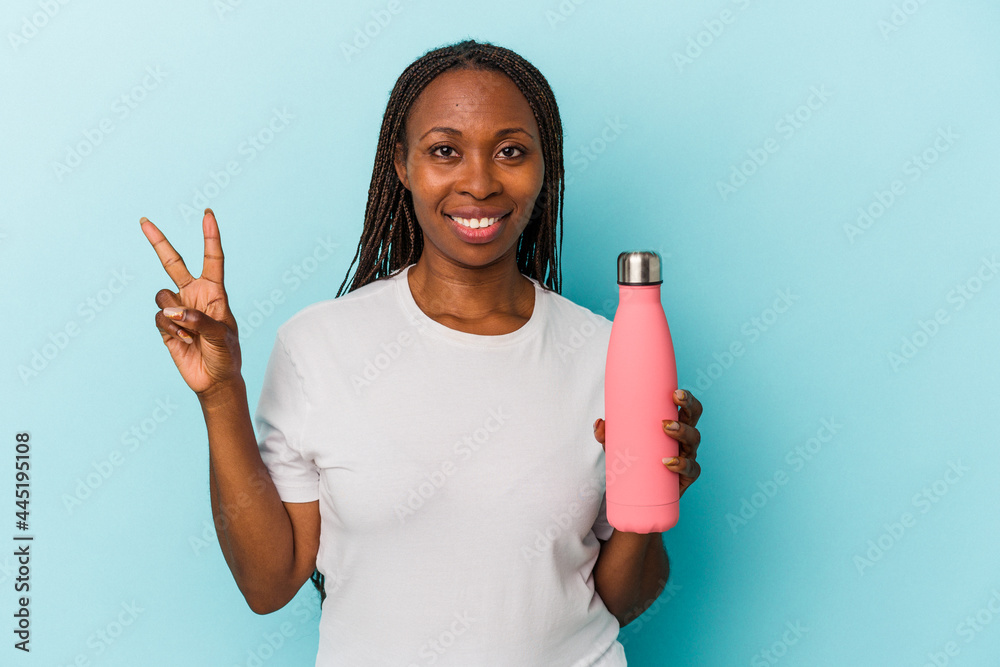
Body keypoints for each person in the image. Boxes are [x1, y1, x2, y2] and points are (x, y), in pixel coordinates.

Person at [141, 39, 702, 666]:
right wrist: (221, 394)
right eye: (445, 150)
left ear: (549, 167)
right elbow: (269, 585)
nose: (480, 181)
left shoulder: (608, 352)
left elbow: (620, 599)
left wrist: (651, 497)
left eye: (511, 151)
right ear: (402, 165)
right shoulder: (319, 346)